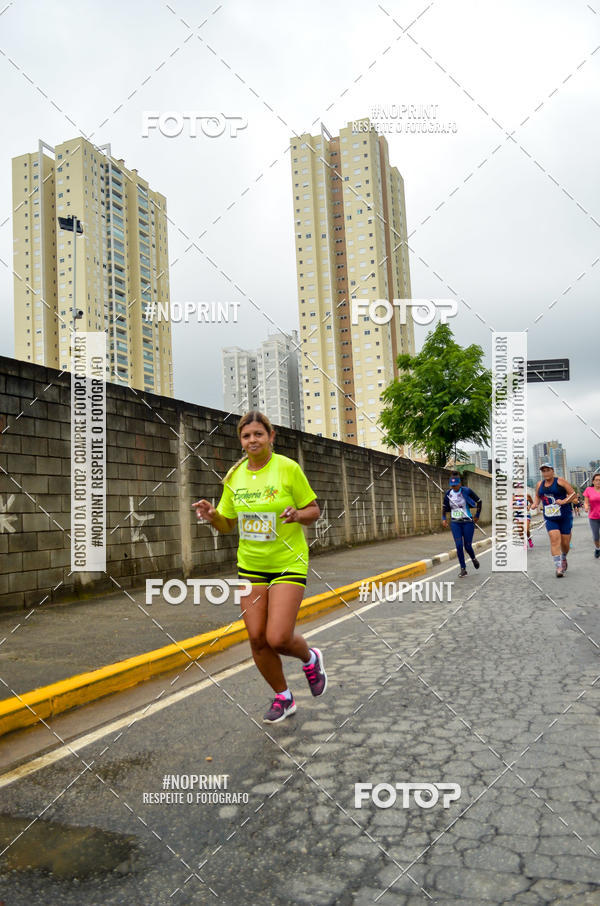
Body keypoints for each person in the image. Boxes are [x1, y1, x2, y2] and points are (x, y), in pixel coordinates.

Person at [192, 411, 327, 723]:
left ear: (271, 436)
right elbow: (227, 525)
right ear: (241, 441)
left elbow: (314, 509)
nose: (252, 440)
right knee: (256, 637)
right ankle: (284, 696)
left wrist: (298, 515)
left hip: (288, 562)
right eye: (246, 436)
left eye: (258, 434)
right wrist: (213, 516)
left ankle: (310, 657)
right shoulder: (234, 477)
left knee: (278, 637)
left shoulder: (287, 469)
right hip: (251, 565)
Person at [532, 462, 577, 577]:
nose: (546, 473)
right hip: (550, 517)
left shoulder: (560, 481)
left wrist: (564, 501)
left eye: (548, 470)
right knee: (554, 538)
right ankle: (558, 567)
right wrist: (535, 504)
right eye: (543, 471)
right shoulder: (539, 484)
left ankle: (563, 558)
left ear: (552, 471)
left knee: (565, 543)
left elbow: (573, 494)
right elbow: (538, 495)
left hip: (565, 516)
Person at [442, 471, 482, 577]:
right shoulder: (448, 494)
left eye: (456, 485)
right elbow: (444, 506)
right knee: (459, 546)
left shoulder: (466, 491)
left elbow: (479, 501)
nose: (454, 487)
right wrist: (444, 518)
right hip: (455, 523)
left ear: (460, 483)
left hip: (467, 522)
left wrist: (477, 515)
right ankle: (463, 568)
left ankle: (473, 558)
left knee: (467, 546)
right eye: (452, 485)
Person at [583, 472, 600, 559]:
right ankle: (597, 548)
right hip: (594, 517)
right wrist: (586, 507)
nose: (598, 482)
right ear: (593, 481)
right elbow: (586, 502)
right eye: (596, 480)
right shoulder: (588, 490)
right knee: (596, 536)